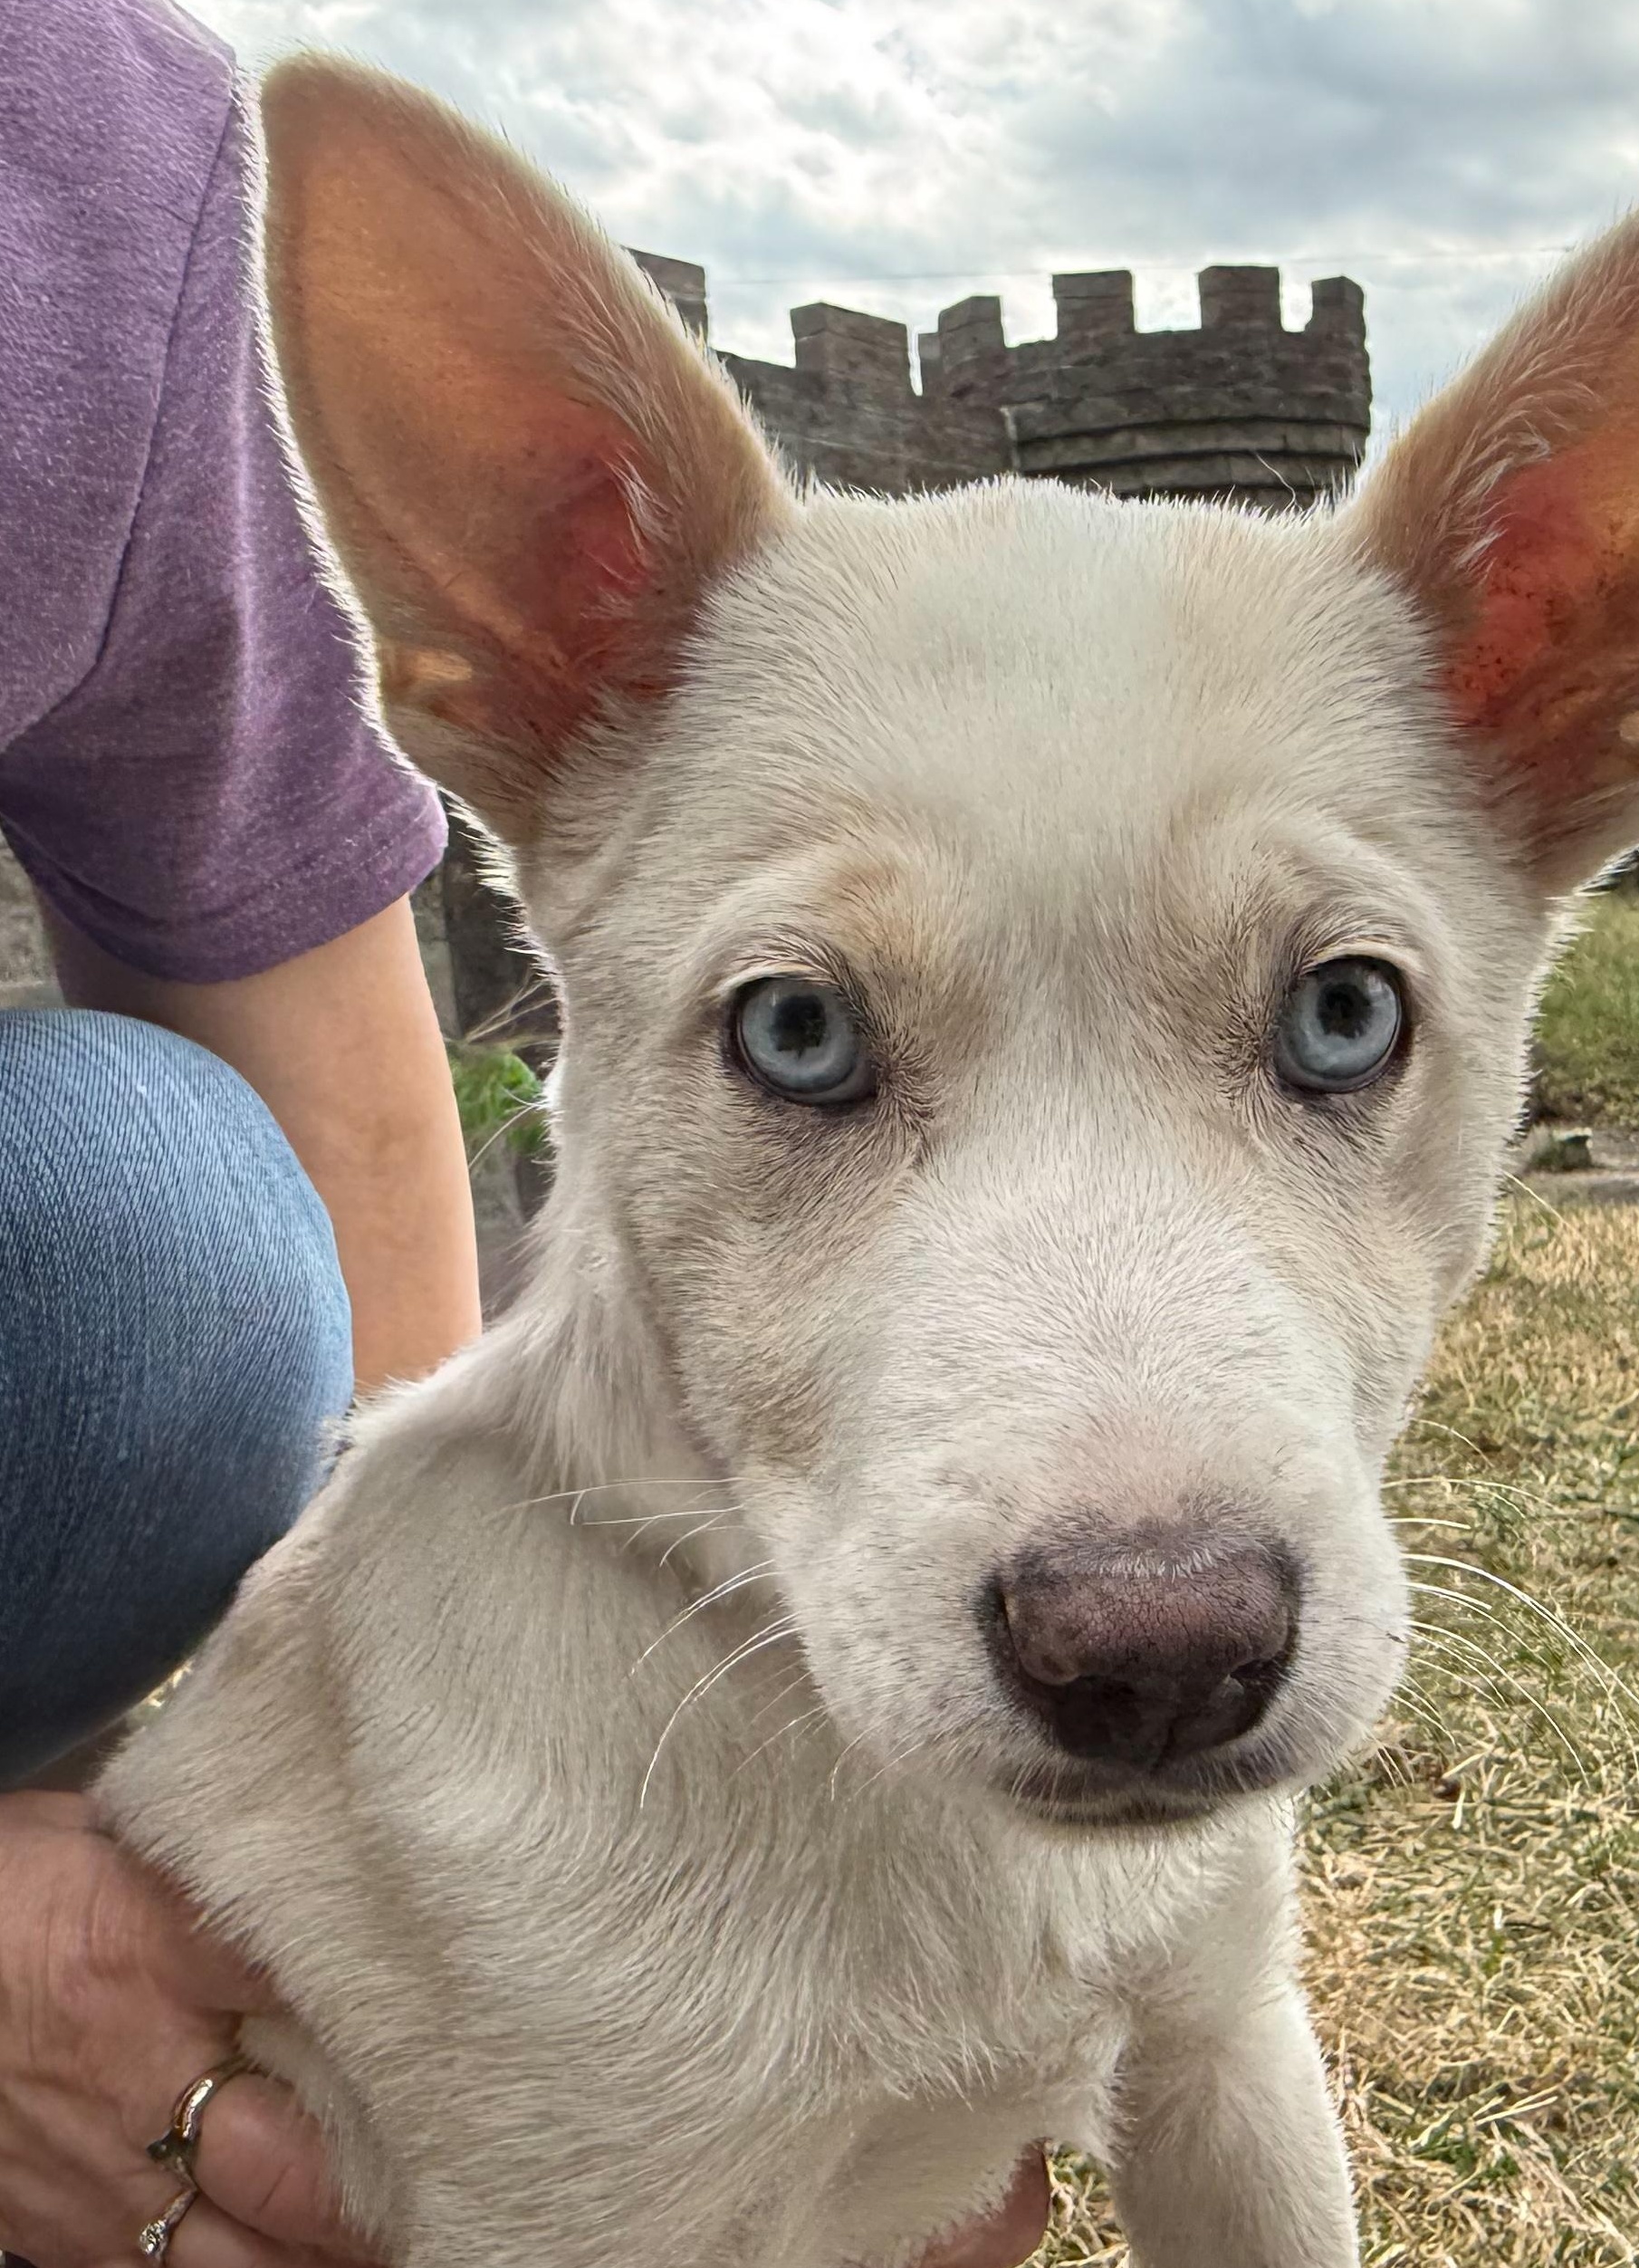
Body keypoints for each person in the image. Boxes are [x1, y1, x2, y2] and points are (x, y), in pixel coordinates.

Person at [0, 5, 1046, 2263]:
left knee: (147, 1231)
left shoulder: (80, 154)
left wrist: (435, 1760)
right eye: (802, 1030)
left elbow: (295, 1023)